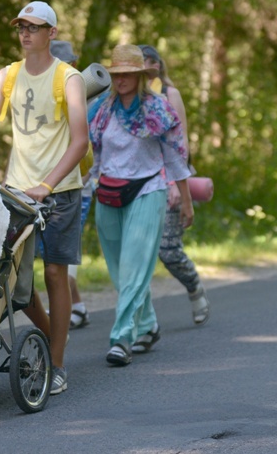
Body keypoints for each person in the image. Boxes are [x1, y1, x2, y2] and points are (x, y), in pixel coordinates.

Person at [0, 1, 89, 395]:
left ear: (51, 33)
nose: (25, 33)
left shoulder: (68, 78)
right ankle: (52, 344)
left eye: (34, 27)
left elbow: (80, 142)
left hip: (60, 194)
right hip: (16, 193)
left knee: (55, 274)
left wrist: (48, 185)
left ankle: (59, 362)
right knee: (16, 283)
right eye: (21, 27)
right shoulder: (7, 75)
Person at [88, 44, 193, 367]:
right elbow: (90, 153)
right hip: (108, 191)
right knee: (120, 268)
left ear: (140, 76)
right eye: (116, 74)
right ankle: (148, 324)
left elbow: (176, 156)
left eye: (127, 74)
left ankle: (122, 337)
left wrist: (186, 199)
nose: (121, 80)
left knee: (135, 265)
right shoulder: (101, 111)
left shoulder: (158, 108)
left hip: (148, 189)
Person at [140, 44, 210, 326]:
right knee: (138, 254)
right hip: (140, 182)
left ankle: (195, 288)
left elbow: (179, 143)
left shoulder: (170, 94)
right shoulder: (124, 99)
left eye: (147, 64)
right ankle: (142, 322)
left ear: (157, 66)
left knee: (168, 250)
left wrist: (174, 183)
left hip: (169, 178)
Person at [49, 39, 91, 329]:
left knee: (61, 261)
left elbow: (87, 145)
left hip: (78, 186)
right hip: (44, 187)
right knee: (50, 264)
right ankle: (76, 305)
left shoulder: (81, 93)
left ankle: (67, 315)